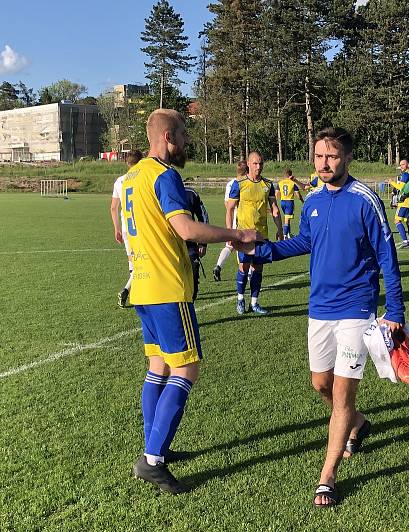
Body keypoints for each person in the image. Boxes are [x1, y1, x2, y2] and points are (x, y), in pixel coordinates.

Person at [240, 127, 405, 508]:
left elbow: (387, 257)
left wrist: (394, 309)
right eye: (318, 157)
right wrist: (261, 251)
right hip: (320, 308)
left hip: (356, 309)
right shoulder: (313, 199)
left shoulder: (366, 200)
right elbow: (305, 241)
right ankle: (358, 423)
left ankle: (327, 475)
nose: (324, 164)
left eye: (331, 157)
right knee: (320, 384)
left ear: (347, 158)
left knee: (344, 392)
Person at [127, 109, 259, 494]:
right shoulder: (165, 175)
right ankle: (153, 460)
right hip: (168, 288)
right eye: (183, 134)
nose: (187, 141)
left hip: (142, 288)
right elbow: (184, 228)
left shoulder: (133, 175)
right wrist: (238, 234)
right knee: (186, 370)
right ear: (167, 136)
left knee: (158, 366)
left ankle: (156, 449)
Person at [225, 151, 284, 315]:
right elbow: (229, 209)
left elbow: (274, 209)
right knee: (243, 267)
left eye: (261, 163)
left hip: (262, 235)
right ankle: (240, 299)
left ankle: (255, 302)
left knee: (258, 269)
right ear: (249, 164)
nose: (259, 166)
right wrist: (230, 233)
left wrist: (279, 229)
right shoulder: (239, 184)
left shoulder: (268, 185)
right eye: (255, 163)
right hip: (244, 235)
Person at [110, 149, 143, 307]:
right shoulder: (142, 177)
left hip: (126, 227)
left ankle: (131, 292)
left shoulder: (119, 181)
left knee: (133, 263)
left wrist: (117, 229)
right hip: (141, 227)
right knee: (143, 263)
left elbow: (113, 208)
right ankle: (127, 290)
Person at [212, 160, 248, 282]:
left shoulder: (229, 184)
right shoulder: (244, 183)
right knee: (244, 246)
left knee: (229, 245)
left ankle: (218, 266)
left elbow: (227, 204)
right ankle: (246, 273)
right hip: (242, 218)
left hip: (232, 218)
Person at [183, 184, 209, 301]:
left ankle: (191, 301)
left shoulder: (190, 193)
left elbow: (203, 217)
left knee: (193, 270)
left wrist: (203, 242)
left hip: (190, 244)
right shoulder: (160, 191)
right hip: (168, 244)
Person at [386, 159, 409, 248]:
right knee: (408, 221)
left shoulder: (406, 174)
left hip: (404, 201)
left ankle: (405, 241)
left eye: (403, 164)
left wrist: (391, 182)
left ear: (407, 165)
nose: (401, 166)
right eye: (400, 165)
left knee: (397, 220)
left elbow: (401, 187)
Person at [277, 168, 305, 239]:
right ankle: (284, 236)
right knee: (287, 220)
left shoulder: (280, 183)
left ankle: (289, 234)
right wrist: (302, 201)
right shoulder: (292, 183)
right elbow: (298, 195)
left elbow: (276, 193)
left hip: (282, 202)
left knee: (287, 218)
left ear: (284, 175)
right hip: (289, 202)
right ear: (291, 175)